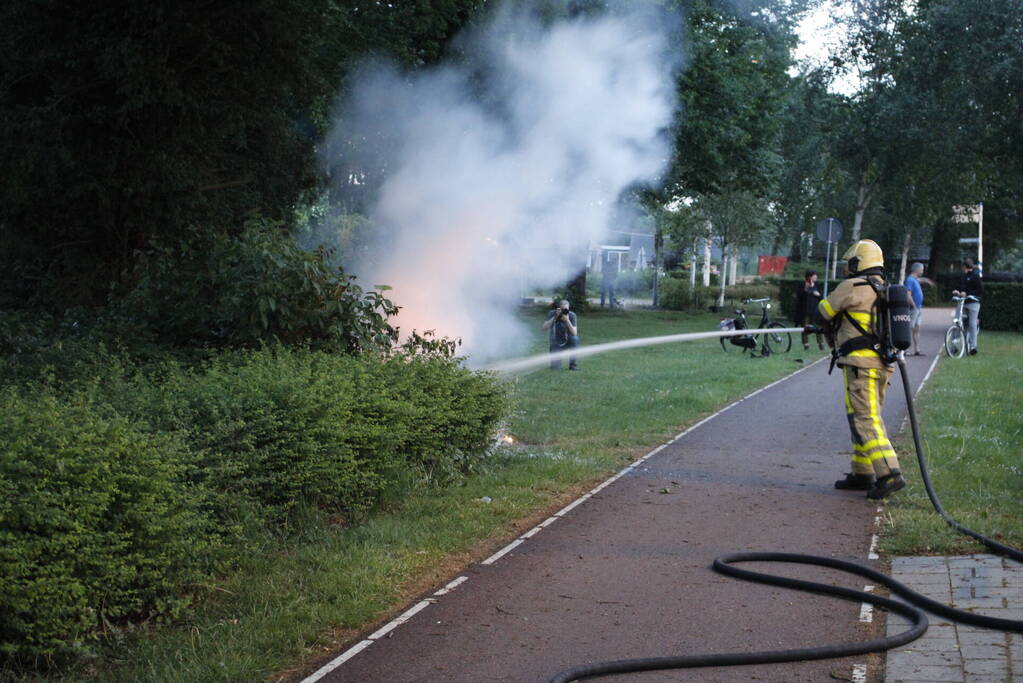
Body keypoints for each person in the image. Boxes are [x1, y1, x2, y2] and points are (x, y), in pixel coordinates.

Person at [813, 239, 905, 500]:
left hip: (860, 365)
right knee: (863, 415)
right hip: (882, 365)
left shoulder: (852, 286)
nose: (846, 268)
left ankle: (889, 474)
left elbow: (823, 311)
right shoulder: (882, 289)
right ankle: (862, 472)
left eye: (849, 263)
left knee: (865, 418)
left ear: (858, 263)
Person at [952, 257, 983, 355]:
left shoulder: (975, 276)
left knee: (972, 324)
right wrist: (956, 291)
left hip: (973, 302)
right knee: (956, 321)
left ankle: (973, 346)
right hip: (962, 302)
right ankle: (954, 344)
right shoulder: (963, 276)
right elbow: (959, 287)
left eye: (963, 267)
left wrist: (967, 293)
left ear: (965, 266)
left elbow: (980, 290)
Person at [543, 299, 579, 370]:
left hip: (568, 341)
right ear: (558, 308)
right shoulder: (552, 313)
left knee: (575, 339)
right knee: (556, 367)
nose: (564, 312)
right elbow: (544, 328)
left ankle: (573, 365)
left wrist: (567, 320)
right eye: (562, 309)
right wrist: (555, 317)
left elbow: (574, 333)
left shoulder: (571, 315)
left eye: (566, 310)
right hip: (555, 343)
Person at [794, 270, 824, 351]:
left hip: (815, 310)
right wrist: (805, 289)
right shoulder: (802, 284)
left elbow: (822, 296)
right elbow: (799, 296)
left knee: (818, 327)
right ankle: (806, 344)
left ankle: (821, 344)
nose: (816, 277)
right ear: (809, 276)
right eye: (815, 275)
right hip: (805, 311)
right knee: (805, 327)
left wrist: (818, 294)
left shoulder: (817, 285)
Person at [903, 262, 928, 356]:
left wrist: (926, 280)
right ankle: (904, 350)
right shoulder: (910, 280)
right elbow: (908, 294)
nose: (922, 271)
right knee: (910, 328)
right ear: (917, 270)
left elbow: (921, 280)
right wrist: (913, 305)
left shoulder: (915, 279)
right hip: (913, 308)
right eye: (921, 269)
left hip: (918, 308)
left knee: (917, 328)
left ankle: (917, 349)